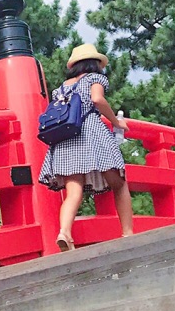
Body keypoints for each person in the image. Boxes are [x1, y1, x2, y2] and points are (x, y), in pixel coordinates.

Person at [39, 43, 133, 251]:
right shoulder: (95, 79)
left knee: (74, 192)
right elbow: (97, 99)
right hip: (90, 132)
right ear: (96, 64)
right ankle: (127, 233)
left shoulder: (62, 88)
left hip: (64, 136)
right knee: (118, 182)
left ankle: (64, 232)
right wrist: (116, 122)